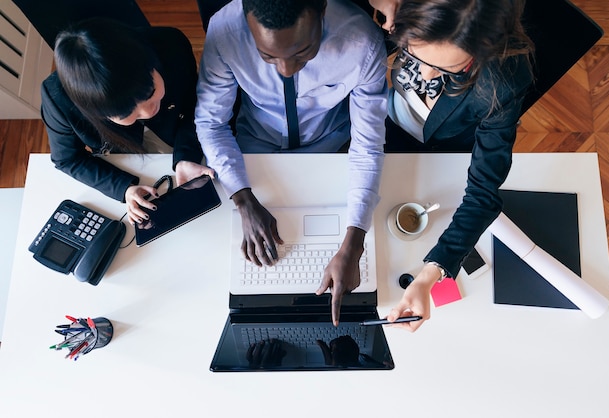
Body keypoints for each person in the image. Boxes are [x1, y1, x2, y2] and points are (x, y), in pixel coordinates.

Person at [195, 0, 388, 326]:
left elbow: (367, 145)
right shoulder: (224, 31)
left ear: (322, 11)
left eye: (303, 52)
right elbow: (211, 124)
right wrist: (242, 199)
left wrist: (354, 244)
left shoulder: (362, 42)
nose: (286, 69)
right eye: (267, 56)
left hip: (332, 150)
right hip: (253, 155)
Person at [368, 0, 534, 331]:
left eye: (448, 70)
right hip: (380, 124)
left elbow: (483, 193)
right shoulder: (397, 14)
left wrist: (429, 277)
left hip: (442, 148)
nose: (426, 75)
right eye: (415, 55)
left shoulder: (502, 81)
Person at [41, 18, 213, 225]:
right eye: (125, 112)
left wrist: (187, 155)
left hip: (179, 131)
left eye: (150, 92)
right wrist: (124, 188)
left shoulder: (170, 44)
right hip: (125, 157)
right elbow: (68, 159)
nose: (148, 111)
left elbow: (196, 103)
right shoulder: (57, 99)